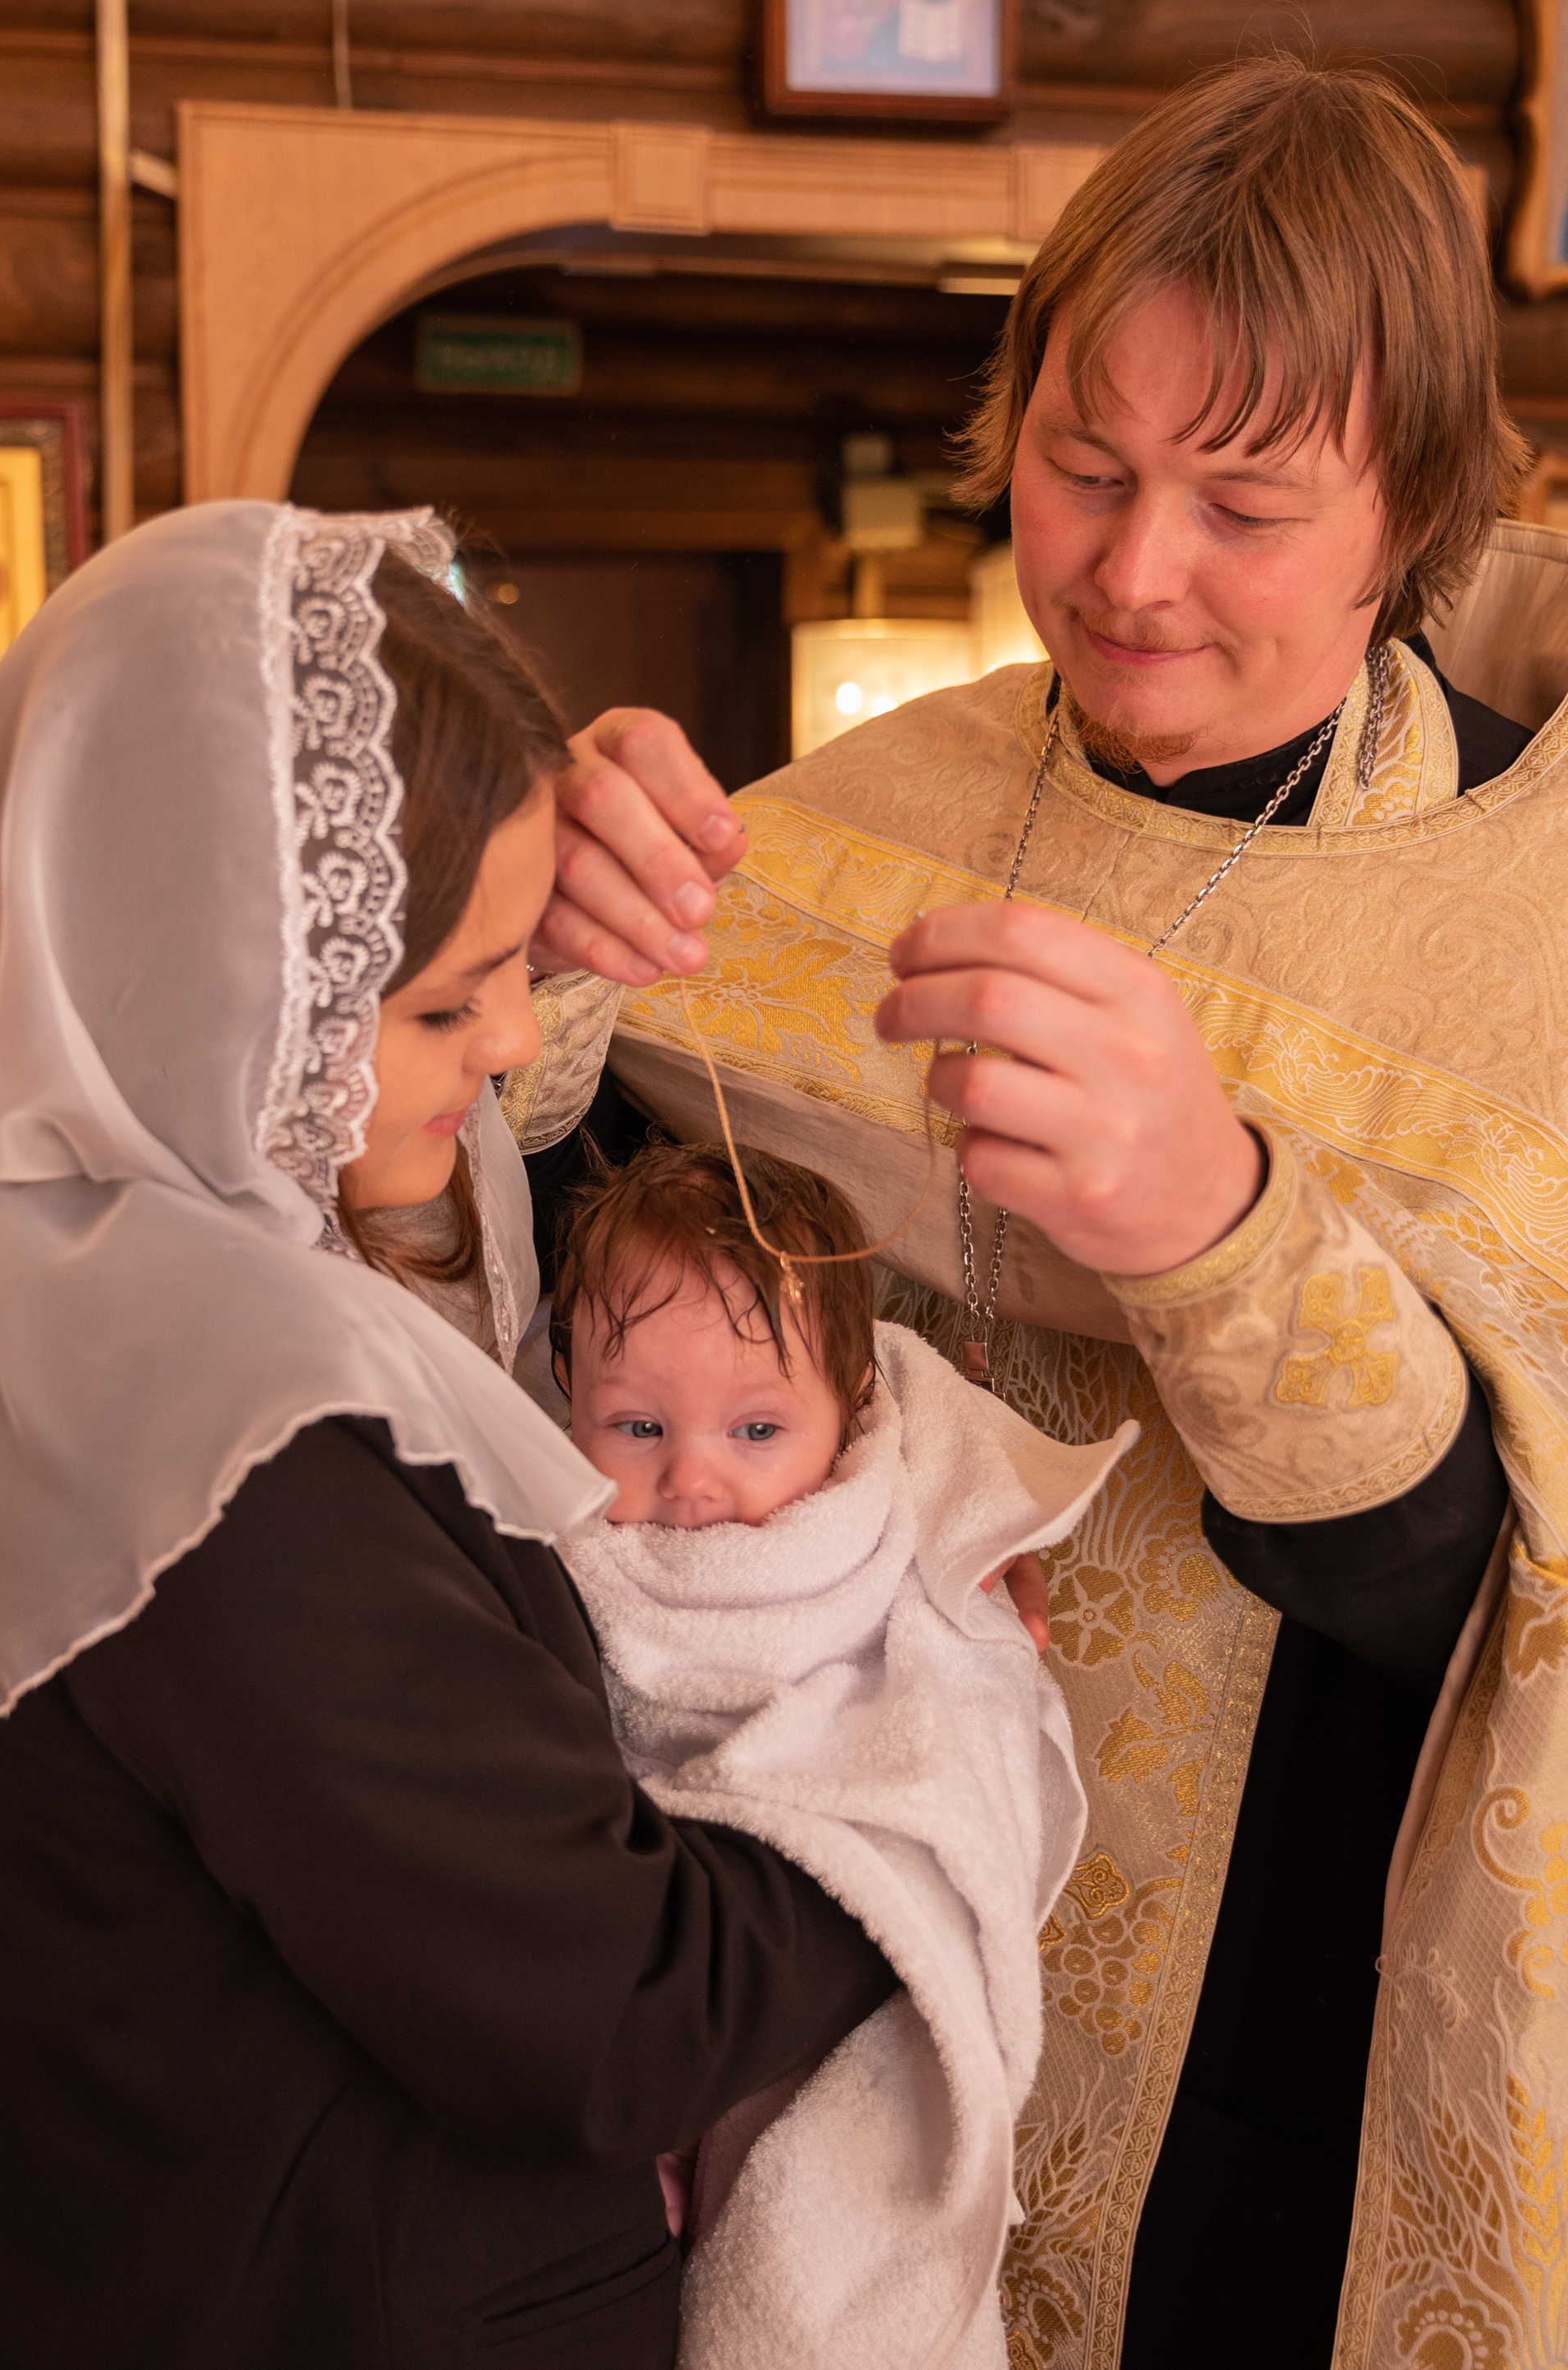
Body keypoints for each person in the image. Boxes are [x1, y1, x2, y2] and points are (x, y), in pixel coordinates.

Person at [503, 57, 1568, 2370]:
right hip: (799, 1968)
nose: (1130, 569)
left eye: (1243, 504)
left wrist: (1224, 1222)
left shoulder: (1536, 907)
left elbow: (1495, 1612)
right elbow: (567, 1284)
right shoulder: (875, 804)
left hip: (1273, 2067)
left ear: (1412, 506)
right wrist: (535, 965)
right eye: (1084, 468)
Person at [0, 500, 903, 2369]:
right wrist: (929, 1771)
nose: (504, 1047)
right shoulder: (219, 1429)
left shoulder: (66, 1268)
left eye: (514, 973)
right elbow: (615, 2014)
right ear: (218, 984)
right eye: (442, 999)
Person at [551, 1142, 1132, 2369]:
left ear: (853, 1410)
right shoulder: (560, 1539)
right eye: (637, 1425)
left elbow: (960, 1724)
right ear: (566, 1394)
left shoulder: (878, 1522)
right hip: (645, 1959)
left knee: (830, 2239)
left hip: (826, 1974)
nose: (693, 1477)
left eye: (758, 1428)